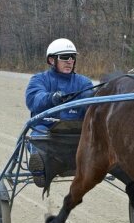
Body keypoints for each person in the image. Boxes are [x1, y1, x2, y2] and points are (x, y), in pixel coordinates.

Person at [25, 38, 94, 187]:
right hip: (47, 129)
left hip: (76, 131)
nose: (69, 61)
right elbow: (33, 99)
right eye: (64, 57)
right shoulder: (39, 79)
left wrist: (93, 98)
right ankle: (40, 170)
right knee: (39, 136)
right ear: (51, 60)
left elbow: (92, 102)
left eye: (72, 57)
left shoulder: (84, 83)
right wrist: (52, 97)